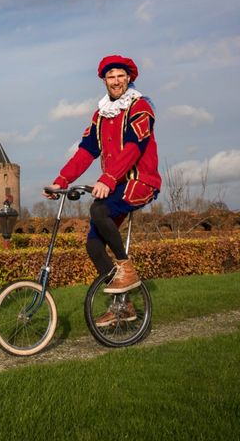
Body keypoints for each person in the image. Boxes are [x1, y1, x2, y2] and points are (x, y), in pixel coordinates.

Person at [44, 55, 160, 327]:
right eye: (111, 77)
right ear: (104, 80)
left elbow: (134, 147)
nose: (116, 81)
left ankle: (126, 269)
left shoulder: (140, 107)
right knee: (93, 245)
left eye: (121, 75)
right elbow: (86, 151)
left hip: (139, 181)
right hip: (115, 184)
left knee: (98, 208)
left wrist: (108, 177)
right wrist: (61, 180)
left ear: (129, 78)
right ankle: (124, 306)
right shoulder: (101, 114)